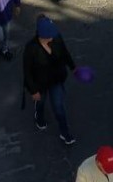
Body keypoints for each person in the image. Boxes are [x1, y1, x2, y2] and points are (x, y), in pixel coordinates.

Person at [23, 15, 77, 145]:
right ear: (41, 35)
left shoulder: (57, 38)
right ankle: (39, 117)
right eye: (50, 35)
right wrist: (33, 91)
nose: (53, 37)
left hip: (56, 80)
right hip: (40, 84)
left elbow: (65, 53)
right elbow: (27, 71)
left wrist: (73, 67)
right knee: (40, 103)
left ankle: (65, 133)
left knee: (59, 107)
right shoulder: (31, 49)